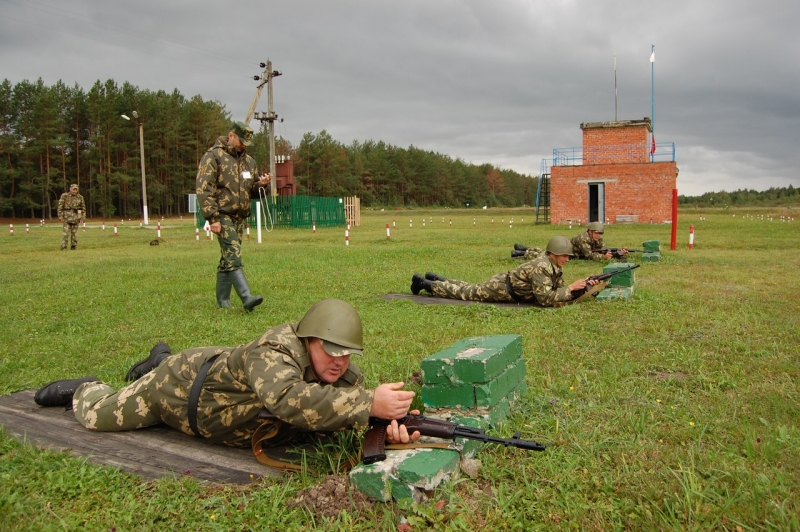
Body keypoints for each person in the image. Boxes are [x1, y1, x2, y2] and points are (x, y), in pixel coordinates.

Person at [34, 299, 420, 454]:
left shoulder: (341, 374)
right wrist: (368, 404)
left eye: (347, 353)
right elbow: (285, 398)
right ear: (309, 340)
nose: (339, 362)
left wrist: (385, 424)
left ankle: (155, 359)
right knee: (98, 418)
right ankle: (86, 386)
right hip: (176, 389)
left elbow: (342, 409)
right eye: (331, 350)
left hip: (211, 387)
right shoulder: (274, 351)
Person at [196, 121, 272, 311]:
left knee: (227, 258)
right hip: (222, 215)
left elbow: (252, 191)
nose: (244, 145)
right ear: (231, 136)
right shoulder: (213, 156)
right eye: (241, 141)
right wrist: (212, 218)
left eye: (247, 142)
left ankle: (223, 302)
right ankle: (247, 298)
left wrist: (262, 185)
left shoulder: (249, 161)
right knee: (233, 255)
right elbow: (204, 188)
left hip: (240, 217)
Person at [411, 236, 598, 308]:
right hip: (502, 288)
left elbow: (557, 290)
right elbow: (545, 298)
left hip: (505, 285)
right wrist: (570, 288)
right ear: (553, 254)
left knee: (470, 288)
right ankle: (426, 284)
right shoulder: (542, 266)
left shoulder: (554, 266)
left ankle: (437, 279)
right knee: (465, 294)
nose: (567, 259)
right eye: (564, 255)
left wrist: (581, 286)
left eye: (568, 256)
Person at [511, 222, 626, 261]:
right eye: (596, 233)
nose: (598, 236)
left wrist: (617, 253)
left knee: (544, 251)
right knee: (545, 255)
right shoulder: (584, 239)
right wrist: (603, 258)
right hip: (566, 250)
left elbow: (602, 250)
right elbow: (589, 255)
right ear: (590, 231)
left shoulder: (597, 239)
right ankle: (520, 253)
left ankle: (522, 248)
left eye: (600, 234)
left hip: (570, 252)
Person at [57, 183, 86, 250]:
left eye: (76, 189)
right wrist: (60, 216)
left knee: (74, 234)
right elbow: (60, 207)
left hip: (76, 218)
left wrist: (82, 218)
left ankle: (73, 247)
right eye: (73, 189)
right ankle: (64, 247)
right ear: (70, 189)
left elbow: (83, 208)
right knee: (65, 234)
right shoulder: (65, 196)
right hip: (66, 218)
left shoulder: (80, 197)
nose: (74, 191)